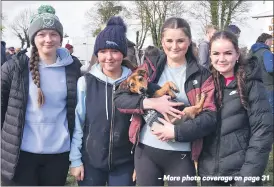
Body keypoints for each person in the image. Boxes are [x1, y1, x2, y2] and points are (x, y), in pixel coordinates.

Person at [114, 17, 217, 186]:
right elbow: (119, 98)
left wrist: (177, 132)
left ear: (189, 41)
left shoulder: (202, 75)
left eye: (180, 41)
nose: (174, 46)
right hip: (146, 151)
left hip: (182, 154)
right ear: (162, 41)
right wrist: (150, 103)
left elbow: (210, 118)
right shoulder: (149, 68)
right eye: (169, 40)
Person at [1, 5, 81, 186]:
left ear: (60, 38)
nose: (48, 39)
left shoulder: (72, 67)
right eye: (41, 34)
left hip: (58, 155)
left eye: (54, 34)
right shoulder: (13, 67)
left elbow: (76, 110)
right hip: (20, 155)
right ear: (33, 37)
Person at [198, 31, 273, 186]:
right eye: (216, 53)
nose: (221, 59)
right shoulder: (206, 84)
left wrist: (247, 178)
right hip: (209, 173)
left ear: (237, 54)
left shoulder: (250, 83)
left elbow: (262, 131)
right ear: (210, 56)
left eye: (228, 53)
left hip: (240, 173)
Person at [69, 16, 135, 186]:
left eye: (114, 51)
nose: (109, 57)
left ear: (123, 53)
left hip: (125, 163)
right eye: (103, 51)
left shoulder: (135, 83)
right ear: (97, 53)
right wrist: (76, 160)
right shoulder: (85, 82)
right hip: (91, 162)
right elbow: (78, 122)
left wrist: (140, 163)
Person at [250, 33, 273, 114]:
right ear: (266, 42)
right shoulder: (266, 52)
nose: (271, 44)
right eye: (271, 41)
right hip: (269, 86)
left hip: (256, 86)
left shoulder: (252, 53)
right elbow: (270, 69)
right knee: (271, 110)